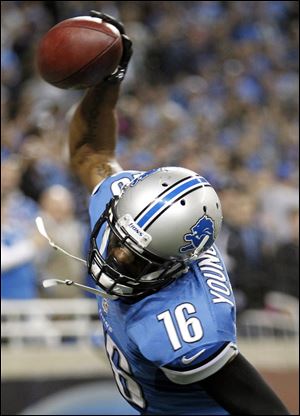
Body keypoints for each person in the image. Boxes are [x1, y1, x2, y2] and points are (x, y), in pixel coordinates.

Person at [66, 11, 290, 415]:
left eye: (136, 258)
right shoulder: (121, 201)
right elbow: (91, 151)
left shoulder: (187, 324)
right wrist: (109, 78)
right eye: (120, 241)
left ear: (175, 266)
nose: (115, 257)